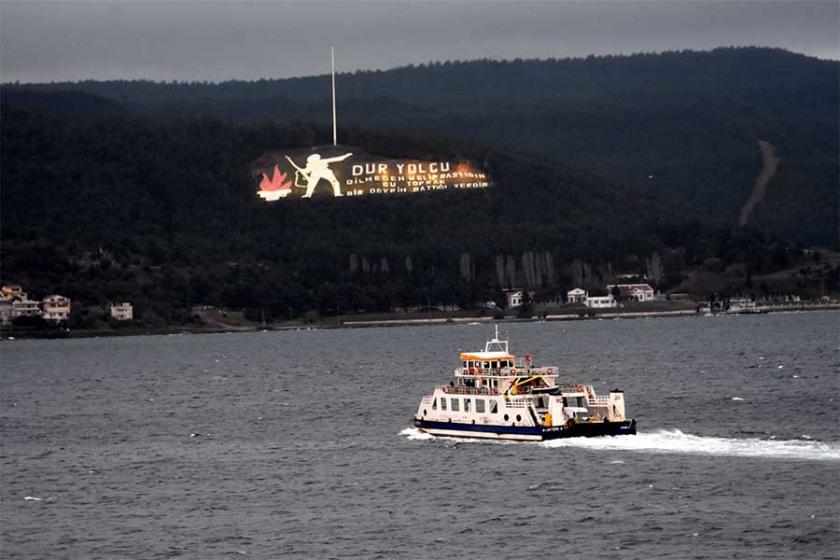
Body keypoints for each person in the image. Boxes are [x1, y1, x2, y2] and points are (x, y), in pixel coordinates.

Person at [286, 152, 352, 198]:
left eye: (316, 159)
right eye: (313, 159)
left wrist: (345, 156)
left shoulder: (322, 161)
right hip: (315, 174)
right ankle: (308, 194)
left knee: (335, 182)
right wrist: (291, 161)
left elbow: (337, 159)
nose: (316, 160)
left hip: (325, 172)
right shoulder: (310, 165)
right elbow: (303, 170)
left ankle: (337, 193)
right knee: (311, 184)